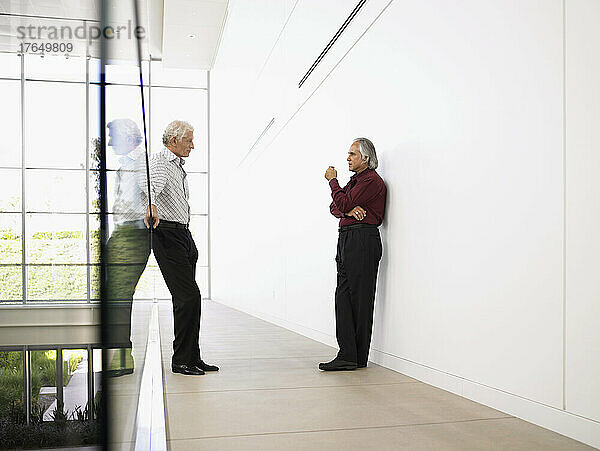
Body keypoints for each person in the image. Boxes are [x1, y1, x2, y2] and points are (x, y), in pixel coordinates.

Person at [144, 120, 218, 376]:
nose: (193, 145)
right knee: (189, 297)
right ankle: (181, 361)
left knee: (188, 301)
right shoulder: (161, 162)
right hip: (166, 235)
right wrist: (151, 207)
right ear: (173, 140)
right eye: (189, 139)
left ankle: (192, 357)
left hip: (182, 234)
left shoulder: (177, 166)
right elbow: (149, 188)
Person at [320, 138, 387, 371]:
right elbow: (334, 208)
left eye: (352, 154)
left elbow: (341, 201)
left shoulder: (371, 181)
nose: (348, 158)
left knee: (361, 300)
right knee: (343, 298)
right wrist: (347, 208)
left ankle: (357, 358)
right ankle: (348, 354)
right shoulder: (355, 181)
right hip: (347, 238)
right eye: (348, 154)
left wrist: (333, 183)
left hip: (362, 240)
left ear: (366, 158)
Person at [104, 119, 151, 377]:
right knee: (114, 296)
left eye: (114, 137)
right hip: (121, 232)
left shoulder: (143, 164)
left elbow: (156, 198)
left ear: (128, 137)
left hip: (134, 233)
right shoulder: (124, 166)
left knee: (120, 296)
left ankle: (123, 359)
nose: (110, 143)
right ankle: (119, 355)